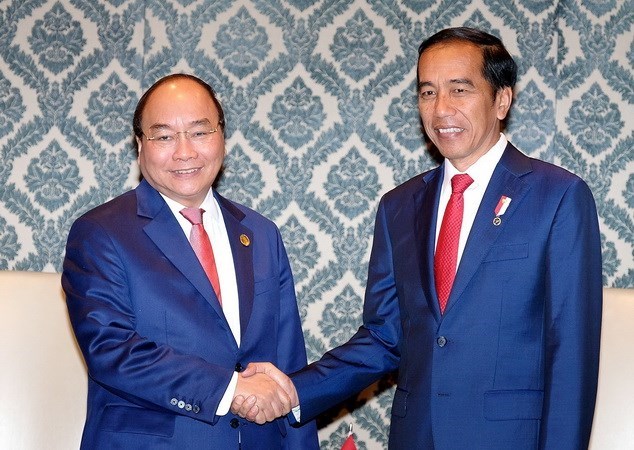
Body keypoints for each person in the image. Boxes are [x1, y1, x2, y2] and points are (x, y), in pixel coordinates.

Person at [233, 27, 603, 449]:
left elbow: (570, 355)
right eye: (427, 93)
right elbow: (384, 338)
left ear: (502, 99)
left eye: (459, 90)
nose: (441, 109)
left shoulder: (557, 197)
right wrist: (294, 391)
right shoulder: (399, 206)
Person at [62, 73, 318, 449]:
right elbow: (111, 348)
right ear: (140, 146)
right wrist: (230, 390)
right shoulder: (101, 233)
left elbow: (288, 366)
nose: (185, 152)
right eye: (164, 136)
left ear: (222, 138)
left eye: (200, 132)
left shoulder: (262, 234)